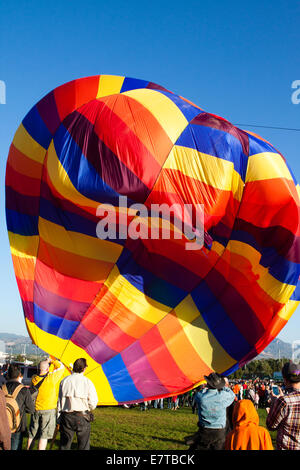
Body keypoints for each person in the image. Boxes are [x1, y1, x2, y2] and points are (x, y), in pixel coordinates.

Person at [187, 373, 235, 450]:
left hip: (204, 431)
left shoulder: (201, 397)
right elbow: (232, 395)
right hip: (219, 432)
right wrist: (224, 387)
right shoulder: (222, 396)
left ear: (208, 384)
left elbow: (197, 394)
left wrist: (204, 389)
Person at [57, 358, 98, 450]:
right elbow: (93, 402)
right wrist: (88, 408)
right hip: (82, 416)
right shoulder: (87, 382)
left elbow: (59, 401)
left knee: (64, 446)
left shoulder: (64, 381)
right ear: (84, 368)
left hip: (66, 416)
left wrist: (58, 418)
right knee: (83, 447)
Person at [27, 357, 65, 450]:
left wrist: (46, 363)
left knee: (32, 434)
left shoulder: (34, 379)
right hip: (48, 410)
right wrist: (51, 361)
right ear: (47, 369)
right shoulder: (51, 378)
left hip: (35, 409)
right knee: (44, 435)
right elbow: (61, 367)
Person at [266, 361, 300, 450]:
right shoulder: (283, 400)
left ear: (285, 379)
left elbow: (271, 425)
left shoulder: (283, 401)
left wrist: (274, 403)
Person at [3, 363, 35, 450]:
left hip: (2, 425)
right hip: (18, 426)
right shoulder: (24, 390)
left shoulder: (2, 388)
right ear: (19, 375)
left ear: (8, 374)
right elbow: (31, 409)